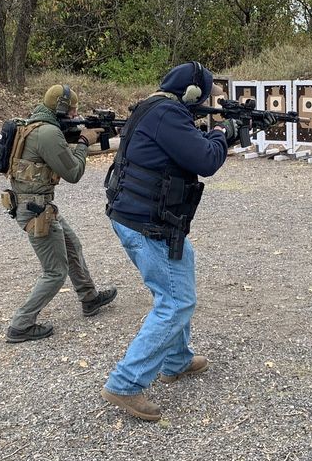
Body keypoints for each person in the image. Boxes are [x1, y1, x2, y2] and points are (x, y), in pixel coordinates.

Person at [99, 62, 241, 422]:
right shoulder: (167, 115)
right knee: (176, 301)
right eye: (201, 97)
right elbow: (206, 159)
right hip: (147, 222)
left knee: (178, 281)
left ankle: (176, 360)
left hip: (146, 218)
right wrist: (224, 133)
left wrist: (225, 133)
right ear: (192, 94)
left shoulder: (157, 107)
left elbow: (190, 150)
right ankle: (126, 383)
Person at [3, 84, 117, 343]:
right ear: (62, 108)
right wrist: (84, 143)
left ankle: (89, 298)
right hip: (37, 210)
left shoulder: (33, 124)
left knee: (72, 245)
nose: (76, 114)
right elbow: (73, 173)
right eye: (73, 109)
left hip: (37, 205)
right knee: (55, 271)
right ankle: (21, 324)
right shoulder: (48, 133)